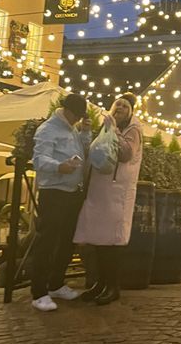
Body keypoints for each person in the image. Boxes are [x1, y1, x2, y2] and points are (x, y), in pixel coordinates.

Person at [74, 93, 143, 305]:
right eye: (117, 104)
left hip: (116, 193)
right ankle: (100, 283)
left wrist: (113, 130)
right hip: (100, 191)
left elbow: (125, 154)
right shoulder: (108, 126)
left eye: (125, 105)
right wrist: (88, 132)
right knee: (98, 241)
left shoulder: (133, 131)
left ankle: (112, 286)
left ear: (131, 111)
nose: (120, 107)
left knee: (112, 242)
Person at [29, 93, 91, 312]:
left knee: (66, 240)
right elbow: (38, 159)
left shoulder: (72, 129)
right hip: (54, 192)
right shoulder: (48, 129)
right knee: (46, 242)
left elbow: (82, 152)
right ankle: (38, 292)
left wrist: (85, 132)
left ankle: (55, 284)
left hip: (71, 192)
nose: (77, 119)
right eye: (77, 115)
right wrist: (59, 166)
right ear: (68, 111)